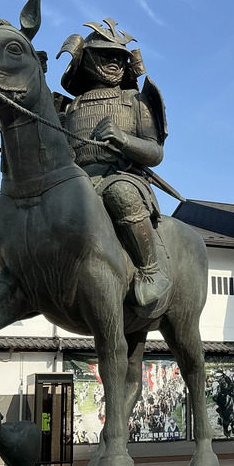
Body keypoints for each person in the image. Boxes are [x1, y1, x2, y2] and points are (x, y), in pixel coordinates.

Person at [56, 18, 169, 306]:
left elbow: (155, 152)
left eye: (120, 58)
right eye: (106, 56)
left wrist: (124, 139)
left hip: (121, 176)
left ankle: (151, 270)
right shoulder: (71, 106)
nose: (115, 63)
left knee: (120, 193)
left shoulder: (135, 100)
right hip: (78, 180)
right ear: (86, 59)